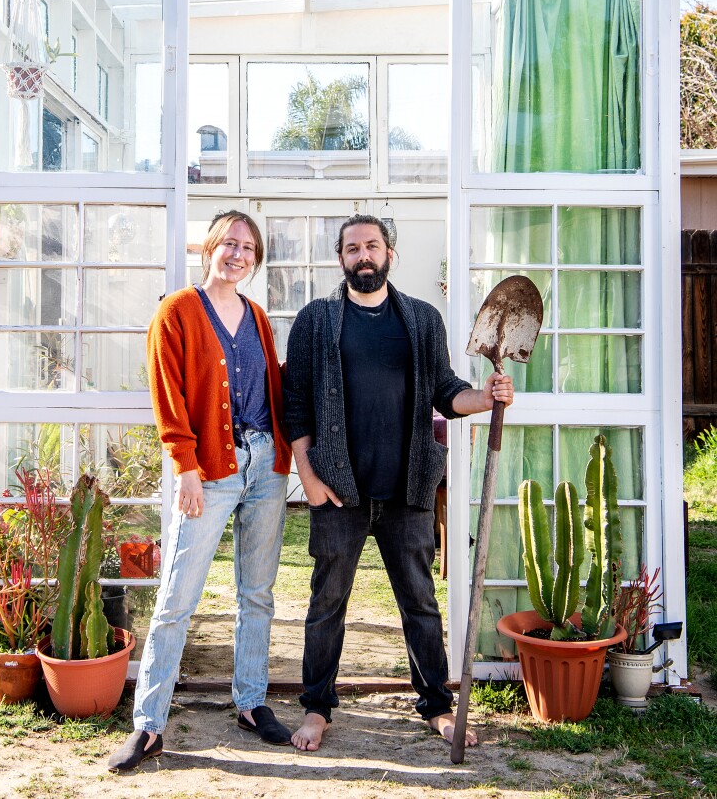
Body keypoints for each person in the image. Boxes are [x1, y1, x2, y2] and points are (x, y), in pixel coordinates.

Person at [283, 214, 514, 753]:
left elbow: (445, 389)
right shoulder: (316, 321)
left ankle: (436, 705)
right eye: (352, 248)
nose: (363, 256)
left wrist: (484, 398)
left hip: (408, 487)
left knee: (420, 601)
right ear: (340, 258)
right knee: (327, 602)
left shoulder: (421, 319)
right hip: (340, 491)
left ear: (390, 253)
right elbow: (294, 404)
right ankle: (318, 708)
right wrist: (308, 476)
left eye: (372, 246)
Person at [109, 211, 293, 773]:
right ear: (210, 248)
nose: (237, 254)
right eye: (229, 244)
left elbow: (272, 388)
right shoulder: (177, 312)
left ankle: (250, 701)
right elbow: (167, 395)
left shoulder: (258, 316)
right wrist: (185, 466)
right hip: (210, 470)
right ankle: (149, 725)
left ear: (255, 261)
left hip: (266, 465)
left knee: (256, 592)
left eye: (248, 248)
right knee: (176, 599)